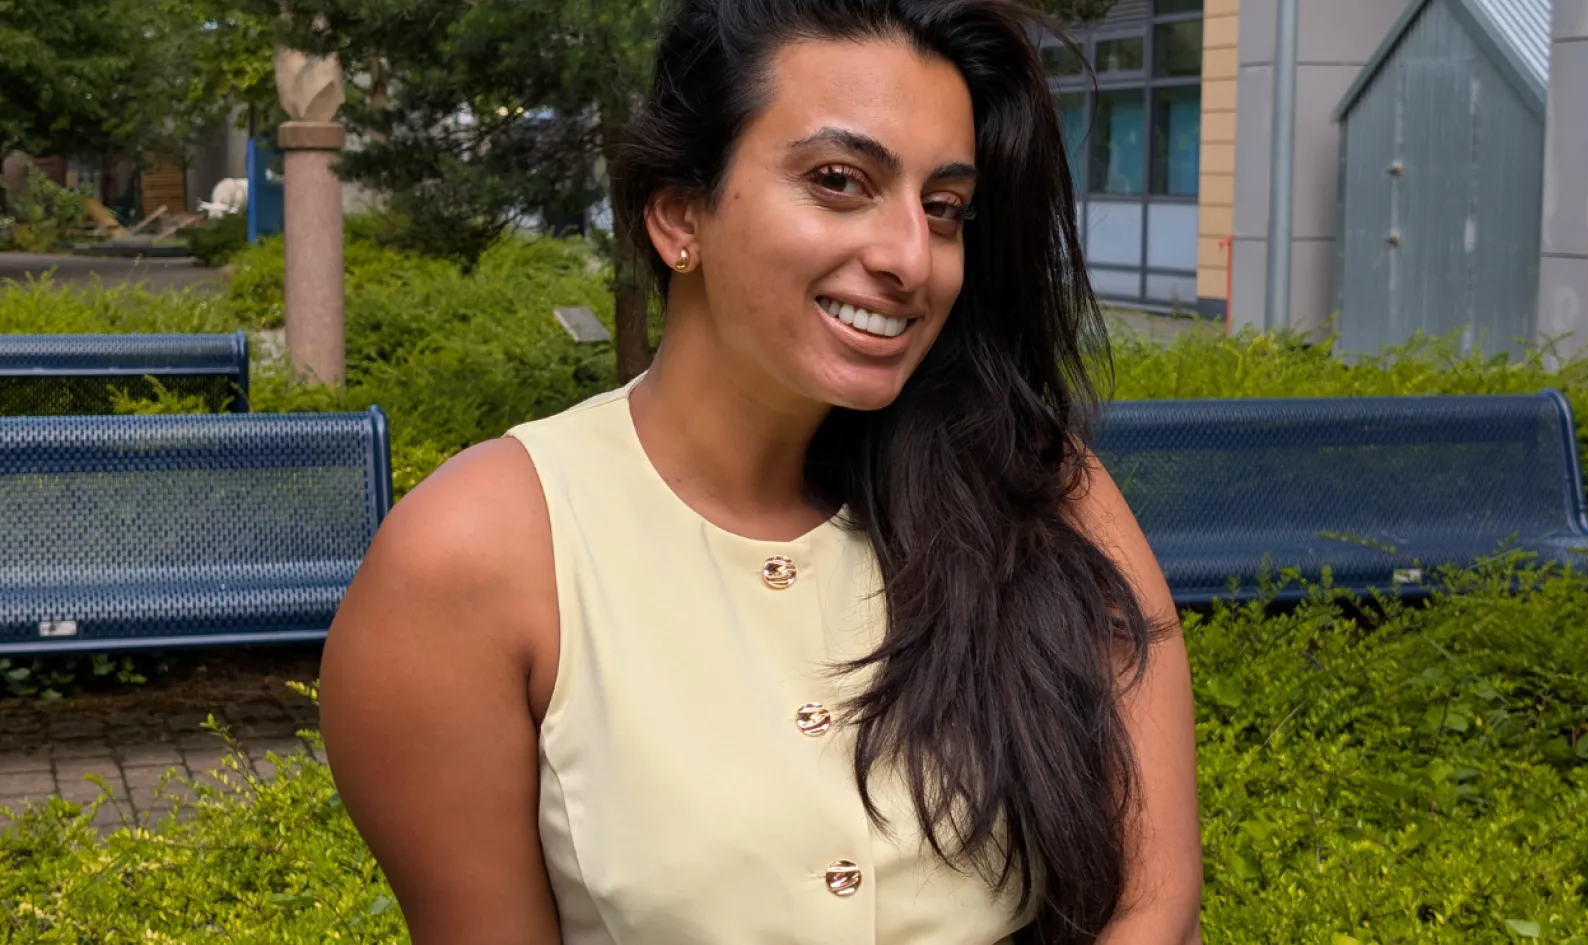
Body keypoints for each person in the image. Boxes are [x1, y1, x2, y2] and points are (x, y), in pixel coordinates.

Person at [318, 0, 1203, 942]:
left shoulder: (1040, 493)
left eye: (944, 209)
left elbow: (1157, 905)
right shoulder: (480, 556)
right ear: (677, 214)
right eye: (838, 180)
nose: (912, 257)